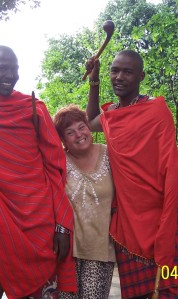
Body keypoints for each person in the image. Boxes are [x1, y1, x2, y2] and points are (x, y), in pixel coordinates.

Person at [0, 45, 77, 299]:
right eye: (2, 68)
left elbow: (55, 169)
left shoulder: (33, 109)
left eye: (15, 69)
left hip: (39, 218)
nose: (11, 75)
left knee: (40, 292)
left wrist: (63, 224)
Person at [85, 50, 178, 299]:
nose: (119, 77)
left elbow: (172, 166)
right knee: (136, 293)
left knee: (170, 289)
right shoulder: (111, 115)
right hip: (128, 220)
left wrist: (169, 214)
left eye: (127, 72)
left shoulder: (156, 111)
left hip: (158, 217)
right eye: (115, 70)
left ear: (141, 75)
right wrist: (94, 80)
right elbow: (89, 123)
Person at [53, 105, 116, 299]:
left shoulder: (110, 155)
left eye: (82, 127)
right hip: (66, 252)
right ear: (63, 140)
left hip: (100, 249)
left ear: (89, 128)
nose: (79, 134)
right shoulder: (58, 162)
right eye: (70, 132)